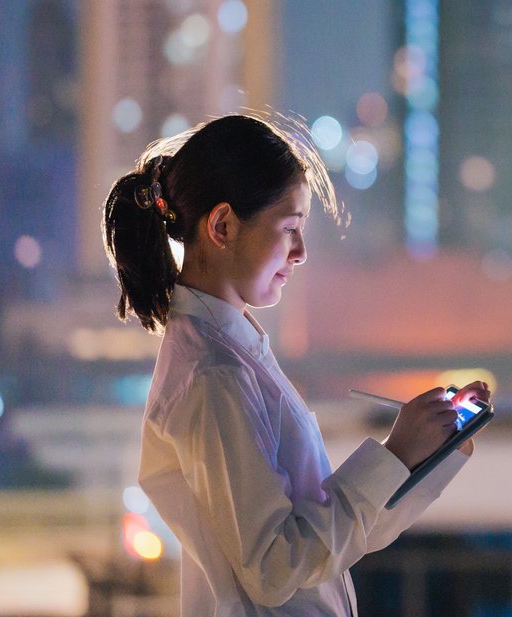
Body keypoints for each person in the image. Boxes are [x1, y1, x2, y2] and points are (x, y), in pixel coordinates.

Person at [102, 113, 489, 616]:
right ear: (222, 225)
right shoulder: (212, 375)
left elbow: (336, 539)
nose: (301, 252)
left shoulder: (231, 355)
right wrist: (393, 455)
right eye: (289, 228)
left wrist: (423, 455)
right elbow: (274, 565)